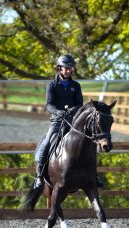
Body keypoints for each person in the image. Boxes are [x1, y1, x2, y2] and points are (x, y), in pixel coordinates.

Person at [34, 54, 83, 188]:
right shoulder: (52, 85)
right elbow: (49, 105)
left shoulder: (76, 86)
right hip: (57, 121)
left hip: (73, 122)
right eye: (65, 68)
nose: (68, 71)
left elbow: (80, 104)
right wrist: (57, 111)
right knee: (47, 142)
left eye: (70, 68)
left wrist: (73, 110)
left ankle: (94, 176)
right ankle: (39, 176)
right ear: (59, 69)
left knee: (88, 143)